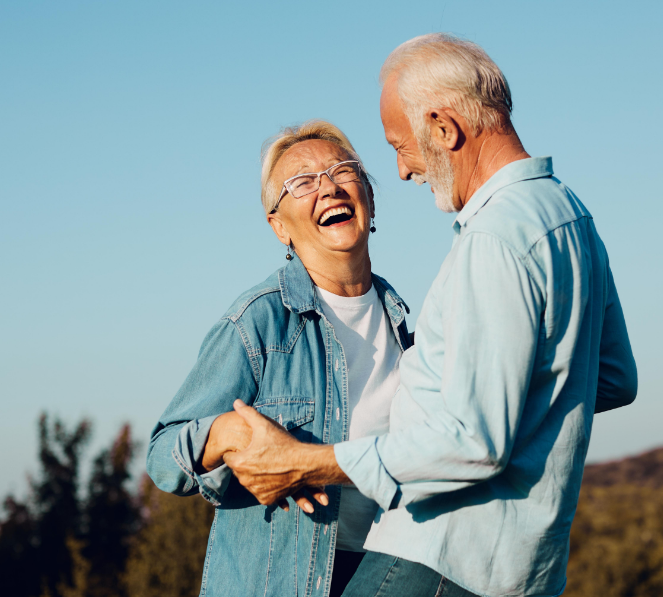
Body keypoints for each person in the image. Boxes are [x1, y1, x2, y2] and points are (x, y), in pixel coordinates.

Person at [224, 33, 638, 597]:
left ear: (444, 128)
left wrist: (306, 462)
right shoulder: (569, 215)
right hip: (528, 569)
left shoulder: (493, 239)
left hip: (437, 559)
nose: (402, 170)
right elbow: (612, 377)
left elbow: (474, 442)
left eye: (402, 145)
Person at [146, 120, 412, 597]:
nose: (328, 187)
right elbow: (163, 456)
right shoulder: (257, 321)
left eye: (342, 171)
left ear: (369, 198)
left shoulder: (406, 327)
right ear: (279, 227)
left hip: (384, 574)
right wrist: (227, 433)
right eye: (302, 182)